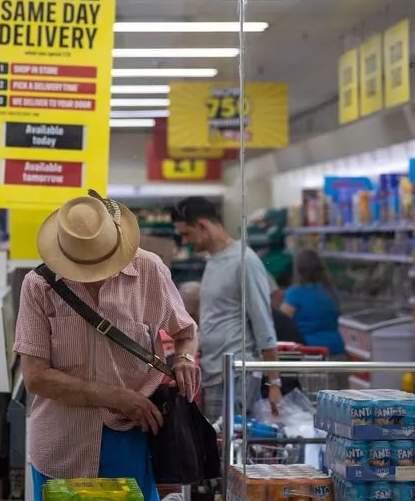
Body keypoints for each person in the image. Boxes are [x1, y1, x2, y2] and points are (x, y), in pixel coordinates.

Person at [15, 194, 200, 501]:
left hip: (133, 437)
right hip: (63, 442)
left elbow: (186, 331)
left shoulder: (148, 270)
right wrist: (116, 397)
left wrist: (184, 358)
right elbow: (35, 377)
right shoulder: (38, 286)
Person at [173, 196, 282, 422]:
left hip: (234, 376)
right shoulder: (214, 260)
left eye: (187, 234)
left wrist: (274, 383)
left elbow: (264, 326)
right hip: (214, 371)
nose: (186, 242)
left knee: (225, 448)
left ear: (203, 225)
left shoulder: (244, 261)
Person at [280, 249, 346, 357]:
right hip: (336, 347)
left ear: (298, 270)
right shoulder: (330, 291)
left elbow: (283, 322)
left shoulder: (295, 293)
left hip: (310, 351)